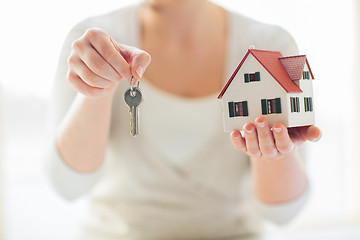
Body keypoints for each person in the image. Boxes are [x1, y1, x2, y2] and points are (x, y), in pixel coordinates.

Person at [47, 0, 321, 239]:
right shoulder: (90, 45)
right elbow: (68, 185)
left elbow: (283, 213)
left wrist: (273, 154)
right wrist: (95, 90)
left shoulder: (271, 46)